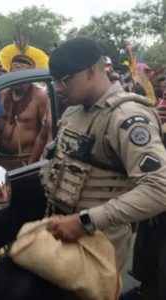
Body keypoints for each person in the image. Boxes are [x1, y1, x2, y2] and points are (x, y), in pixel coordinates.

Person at [41, 38, 166, 273]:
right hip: (62, 236)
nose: (58, 88)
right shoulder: (74, 111)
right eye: (54, 81)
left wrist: (85, 221)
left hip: (98, 245)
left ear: (91, 71)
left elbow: (160, 188)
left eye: (65, 80)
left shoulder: (126, 116)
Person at [0, 37, 50, 170]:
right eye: (14, 72)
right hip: (0, 160)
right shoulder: (1, 93)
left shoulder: (40, 97)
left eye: (22, 74)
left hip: (26, 162)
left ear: (30, 75)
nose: (18, 77)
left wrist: (32, 165)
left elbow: (44, 134)